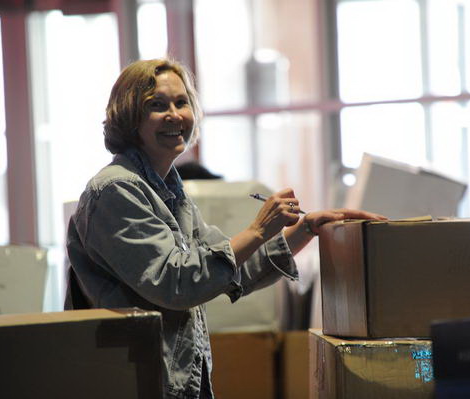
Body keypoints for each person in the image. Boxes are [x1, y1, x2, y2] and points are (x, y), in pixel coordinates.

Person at [64, 58, 385, 399]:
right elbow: (175, 284)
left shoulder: (170, 192)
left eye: (181, 102)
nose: (174, 115)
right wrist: (259, 229)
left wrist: (306, 228)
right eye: (157, 106)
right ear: (129, 117)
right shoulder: (117, 190)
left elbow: (231, 270)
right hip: (136, 383)